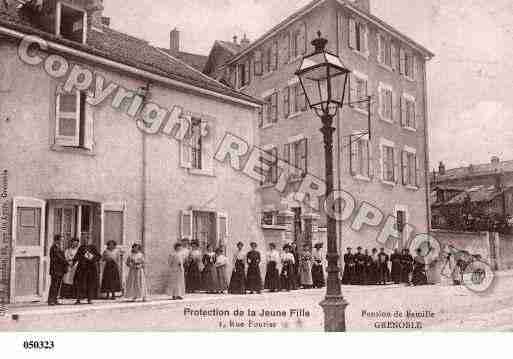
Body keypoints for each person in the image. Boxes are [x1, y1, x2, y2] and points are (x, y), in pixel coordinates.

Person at [73, 239, 101, 304]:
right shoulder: (81, 248)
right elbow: (77, 256)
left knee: (90, 284)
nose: (86, 241)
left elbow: (99, 256)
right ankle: (78, 299)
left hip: (91, 269)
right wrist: (75, 262)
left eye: (88, 240)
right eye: (85, 240)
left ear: (90, 241)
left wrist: (92, 257)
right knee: (80, 284)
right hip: (82, 269)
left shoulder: (93, 247)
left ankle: (89, 299)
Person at [48, 235, 68, 306]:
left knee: (58, 285)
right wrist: (67, 262)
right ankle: (51, 300)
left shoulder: (59, 248)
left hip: (60, 270)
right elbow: (59, 258)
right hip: (55, 269)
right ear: (56, 240)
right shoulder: (53, 248)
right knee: (54, 285)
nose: (61, 242)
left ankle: (55, 299)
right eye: (60, 240)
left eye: (62, 240)